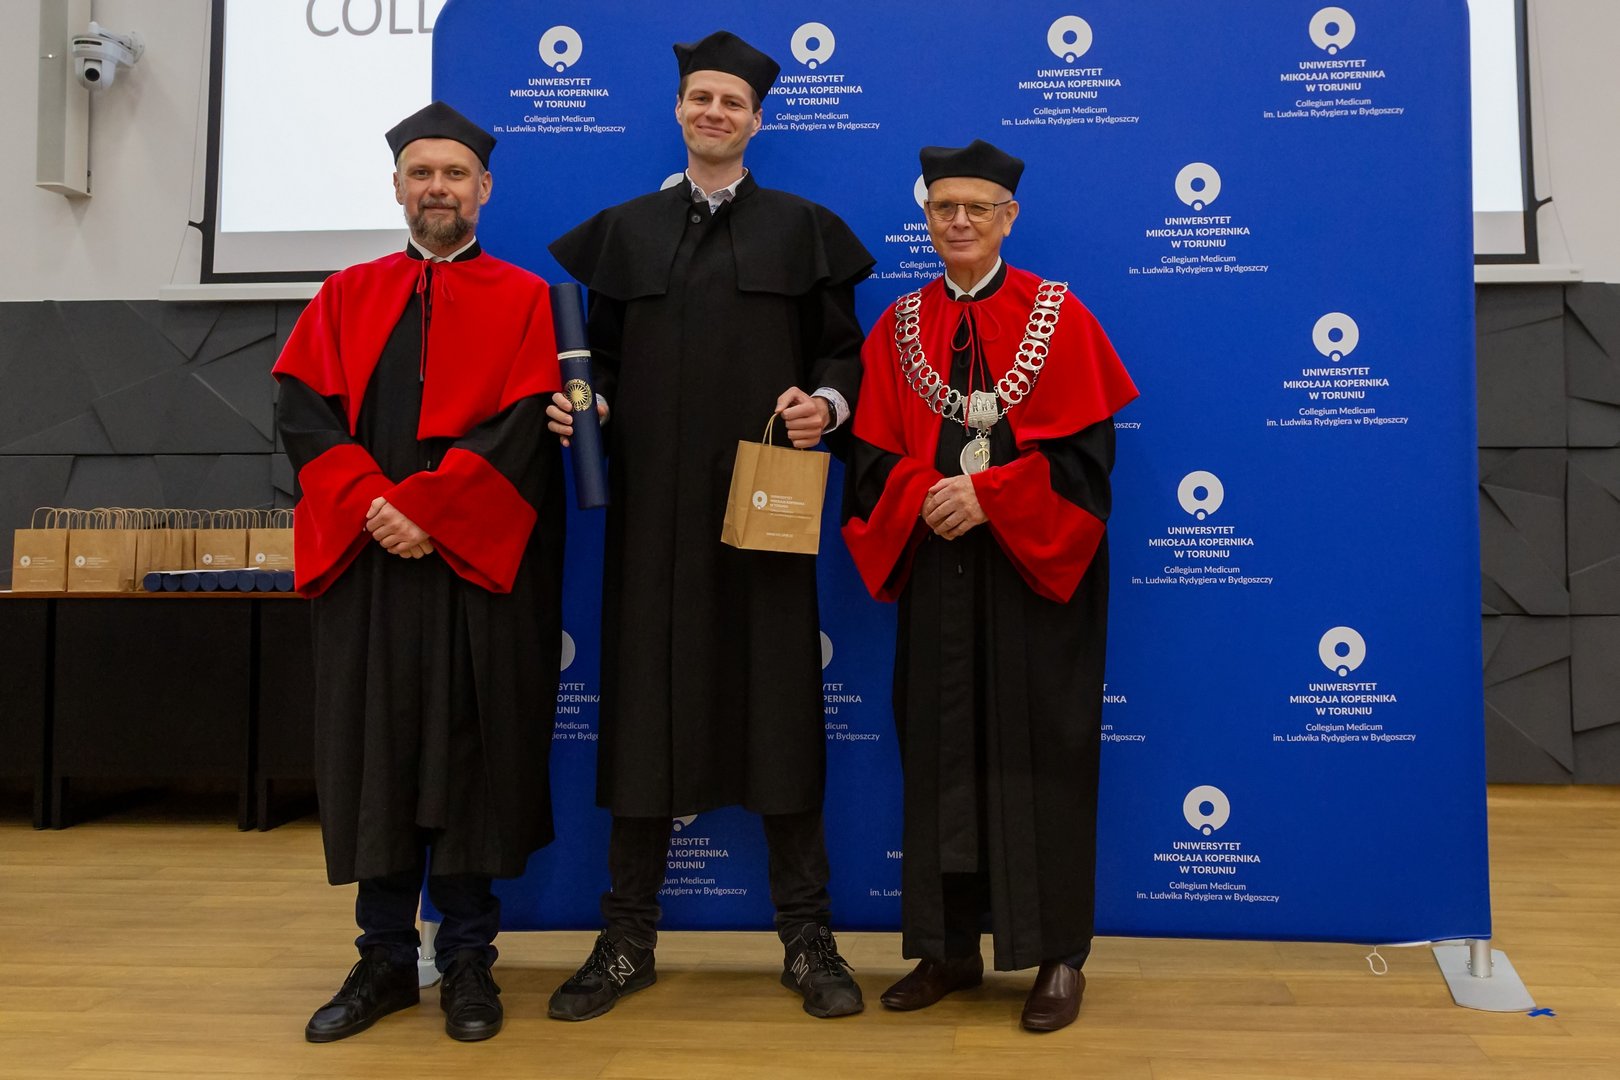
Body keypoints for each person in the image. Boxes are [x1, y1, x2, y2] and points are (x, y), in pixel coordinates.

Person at [545, 30, 874, 1020]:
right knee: (642, 712)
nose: (714, 112)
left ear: (757, 120)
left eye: (732, 101)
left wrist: (828, 405)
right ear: (679, 111)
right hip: (650, 519)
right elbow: (595, 360)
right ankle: (625, 941)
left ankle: (808, 939)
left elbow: (842, 355)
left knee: (780, 707)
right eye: (700, 98)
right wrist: (589, 405)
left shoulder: (804, 229)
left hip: (765, 510)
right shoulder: (627, 232)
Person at [273, 101, 565, 1044]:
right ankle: (386, 959)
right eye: (421, 173)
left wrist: (430, 511)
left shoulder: (527, 300)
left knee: (473, 755)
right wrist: (374, 505)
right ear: (398, 186)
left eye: (455, 174)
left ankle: (470, 959)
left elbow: (523, 430)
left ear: (485, 188)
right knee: (378, 754)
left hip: (476, 570)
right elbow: (304, 413)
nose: (438, 188)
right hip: (370, 567)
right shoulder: (345, 295)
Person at [841, 140, 1138, 1033]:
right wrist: (927, 495)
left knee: (1044, 754)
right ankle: (947, 949)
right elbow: (869, 462)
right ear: (927, 217)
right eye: (944, 208)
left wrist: (992, 497)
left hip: (1035, 577)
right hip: (937, 566)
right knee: (939, 751)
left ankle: (1058, 956)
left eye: (978, 207)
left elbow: (1087, 467)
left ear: (1009, 217)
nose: (960, 221)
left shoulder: (1059, 314)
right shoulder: (899, 326)